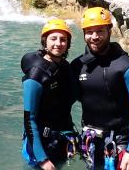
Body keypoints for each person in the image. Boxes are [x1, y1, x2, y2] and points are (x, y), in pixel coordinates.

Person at [71, 7, 129, 170]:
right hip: (91, 141)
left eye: (100, 31)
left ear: (109, 30)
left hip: (121, 144)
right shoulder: (78, 66)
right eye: (89, 32)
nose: (94, 37)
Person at [21, 19, 78, 170]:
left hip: (61, 139)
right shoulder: (35, 75)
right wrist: (42, 159)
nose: (58, 43)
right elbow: (29, 119)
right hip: (41, 145)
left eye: (63, 39)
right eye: (53, 39)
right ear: (44, 42)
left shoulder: (65, 67)